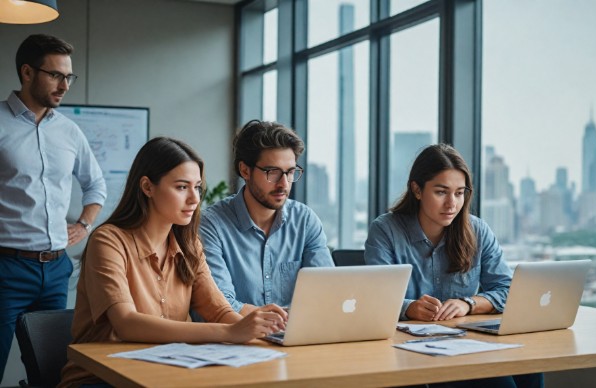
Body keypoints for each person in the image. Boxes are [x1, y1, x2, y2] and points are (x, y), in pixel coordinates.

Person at [59, 137, 287, 387]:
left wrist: (261, 331)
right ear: (147, 187)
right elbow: (126, 324)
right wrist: (231, 332)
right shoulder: (109, 240)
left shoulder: (189, 245)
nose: (194, 199)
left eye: (198, 187)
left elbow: (219, 311)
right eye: (181, 187)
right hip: (101, 378)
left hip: (167, 372)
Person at [364, 144, 543, 388]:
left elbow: (508, 290)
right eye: (441, 192)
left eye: (459, 193)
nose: (452, 203)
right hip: (407, 351)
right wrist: (410, 308)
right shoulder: (386, 230)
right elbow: (374, 298)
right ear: (417, 189)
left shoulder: (477, 230)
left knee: (531, 368)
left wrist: (468, 304)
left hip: (466, 343)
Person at [0, 34, 106, 381]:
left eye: (68, 77)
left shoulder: (69, 131)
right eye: (55, 75)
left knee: (54, 372)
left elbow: (95, 184)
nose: (64, 85)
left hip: (56, 271)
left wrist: (85, 225)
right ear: (27, 72)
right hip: (5, 269)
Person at [200, 120, 334, 316]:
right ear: (245, 170)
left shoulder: (304, 220)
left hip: (296, 337)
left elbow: (327, 291)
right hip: (234, 341)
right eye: (272, 172)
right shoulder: (211, 225)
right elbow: (221, 304)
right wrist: (281, 321)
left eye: (290, 172)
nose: (284, 184)